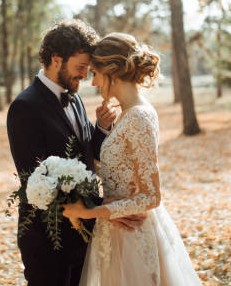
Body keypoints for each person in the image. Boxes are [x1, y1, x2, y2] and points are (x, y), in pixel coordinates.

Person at [6, 20, 144, 286]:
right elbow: (36, 180)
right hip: (48, 237)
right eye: (81, 67)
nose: (85, 75)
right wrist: (103, 208)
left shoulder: (76, 98)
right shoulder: (24, 106)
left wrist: (101, 129)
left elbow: (83, 155)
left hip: (85, 234)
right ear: (57, 59)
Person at [63, 32, 203, 286]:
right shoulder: (127, 115)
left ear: (112, 71)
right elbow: (120, 170)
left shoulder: (138, 117)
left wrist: (93, 211)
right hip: (115, 233)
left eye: (95, 72)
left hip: (131, 237)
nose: (93, 82)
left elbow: (151, 196)